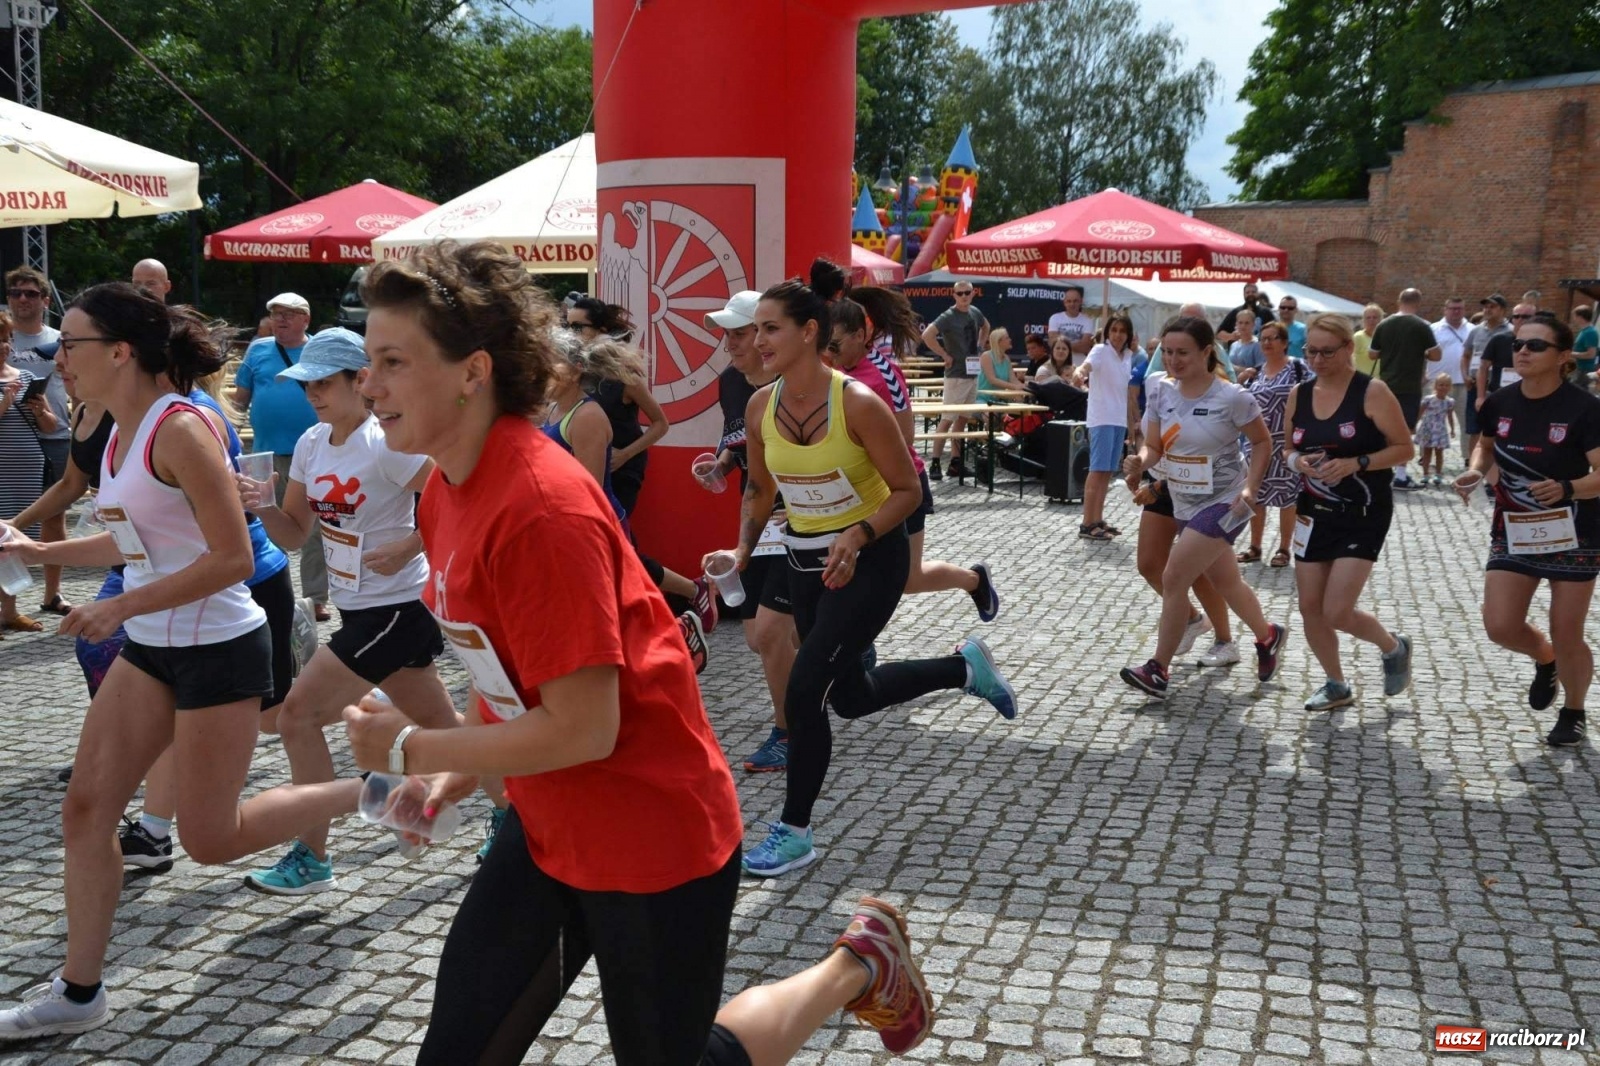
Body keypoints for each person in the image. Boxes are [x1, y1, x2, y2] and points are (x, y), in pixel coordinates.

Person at [340, 240, 938, 1062]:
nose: (367, 384)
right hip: (549, 825)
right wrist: (447, 777)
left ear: (472, 371)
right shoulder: (447, 485)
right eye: (369, 361)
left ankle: (853, 965)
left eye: (390, 362)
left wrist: (413, 747)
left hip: (650, 836)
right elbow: (506, 670)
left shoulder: (539, 508)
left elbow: (586, 727)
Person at [0, 284, 369, 1041]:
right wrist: (43, 551)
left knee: (211, 838)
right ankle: (78, 994)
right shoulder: (118, 431)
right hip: (153, 648)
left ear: (121, 351)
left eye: (72, 344)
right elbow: (132, 541)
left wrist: (118, 607)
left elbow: (234, 557)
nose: (58, 358)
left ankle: (376, 789)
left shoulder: (180, 428)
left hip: (217, 648)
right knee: (85, 812)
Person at [734, 266, 1018, 878]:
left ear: (810, 332)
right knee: (853, 699)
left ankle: (794, 832)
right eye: (756, 330)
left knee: (806, 690)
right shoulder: (761, 406)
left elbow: (908, 490)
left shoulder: (857, 402)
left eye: (770, 329)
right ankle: (962, 667)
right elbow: (759, 491)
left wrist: (858, 533)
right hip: (806, 563)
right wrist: (739, 553)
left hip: (871, 561)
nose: (758, 341)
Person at [235, 327, 461, 894]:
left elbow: (454, 492)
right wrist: (260, 507)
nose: (312, 392)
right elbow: (293, 535)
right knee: (444, 730)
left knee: (297, 716)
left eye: (323, 382)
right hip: (357, 604)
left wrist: (411, 544)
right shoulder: (312, 443)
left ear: (359, 381)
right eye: (305, 382)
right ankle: (492, 812)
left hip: (397, 605)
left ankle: (312, 857)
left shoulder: (384, 441)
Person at [1118, 315, 1288, 700]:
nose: (1174, 361)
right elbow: (1156, 446)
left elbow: (1262, 443)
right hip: (1183, 499)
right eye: (1168, 352)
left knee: (1174, 575)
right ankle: (1268, 636)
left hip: (1226, 501)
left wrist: (1251, 488)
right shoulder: (1161, 391)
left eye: (1183, 353)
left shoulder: (1232, 397)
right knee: (1226, 581)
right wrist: (1141, 462)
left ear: (1207, 352)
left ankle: (1158, 669)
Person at [1455, 312, 1600, 747]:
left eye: (1535, 346)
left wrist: (1568, 487)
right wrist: (1475, 472)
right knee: (1499, 625)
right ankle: (1545, 659)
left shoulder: (1585, 409)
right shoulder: (1499, 402)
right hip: (1514, 526)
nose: (1522, 351)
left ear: (1562, 358)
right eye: (1518, 344)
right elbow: (1484, 450)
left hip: (1577, 533)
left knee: (1566, 628)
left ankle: (1573, 710)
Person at [545, 331, 717, 670]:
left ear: (577, 368)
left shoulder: (587, 415)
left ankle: (677, 632)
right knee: (622, 595)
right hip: (571, 523)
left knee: (617, 601)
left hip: (600, 519)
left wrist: (625, 455)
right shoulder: (552, 409)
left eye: (551, 362)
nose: (542, 370)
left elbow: (588, 493)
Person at [829, 292, 1000, 616]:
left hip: (902, 485)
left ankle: (974, 580)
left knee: (910, 578)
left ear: (860, 336)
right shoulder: (832, 370)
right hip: (859, 487)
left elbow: (906, 435)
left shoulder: (884, 372)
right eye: (827, 346)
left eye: (836, 345)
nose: (830, 355)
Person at [1283, 313, 1415, 711]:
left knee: (1336, 610)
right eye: (1311, 352)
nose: (1318, 360)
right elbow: (1287, 447)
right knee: (1310, 606)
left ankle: (1393, 647)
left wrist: (1355, 463)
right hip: (1312, 509)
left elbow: (1404, 449)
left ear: (1347, 349)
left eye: (1326, 352)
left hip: (1363, 510)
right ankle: (1336, 684)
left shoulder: (1371, 392)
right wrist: (1297, 464)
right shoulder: (1299, 394)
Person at [706, 291, 799, 772]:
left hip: (805, 524)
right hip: (759, 518)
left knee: (767, 634)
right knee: (757, 638)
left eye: (739, 334)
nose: (732, 345)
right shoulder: (731, 383)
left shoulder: (798, 384)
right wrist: (720, 465)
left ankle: (788, 732)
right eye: (730, 335)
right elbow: (735, 439)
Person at [230, 292, 328, 619]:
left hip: (314, 454)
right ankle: (272, 593)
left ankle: (315, 598)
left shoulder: (319, 351)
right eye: (276, 313)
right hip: (264, 454)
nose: (281, 320)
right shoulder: (258, 350)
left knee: (314, 528)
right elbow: (239, 401)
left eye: (289, 313)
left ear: (306, 320)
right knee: (264, 524)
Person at [6, 265, 71, 616]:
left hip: (54, 434)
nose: (22, 299)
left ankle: (52, 594)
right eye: (16, 293)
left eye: (31, 293)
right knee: (6, 517)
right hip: (10, 439)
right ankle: (8, 604)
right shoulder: (2, 337)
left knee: (53, 519)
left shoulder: (62, 338)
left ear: (46, 300)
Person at [566, 296, 669, 517]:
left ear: (600, 330)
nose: (570, 333)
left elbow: (660, 423)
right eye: (567, 326)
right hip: (584, 466)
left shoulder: (623, 376)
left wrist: (625, 454)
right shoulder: (575, 372)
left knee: (613, 528)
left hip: (621, 470)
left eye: (577, 327)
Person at [0, 309, 59, 635]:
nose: (4, 346)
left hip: (26, 465)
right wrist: (5, 403)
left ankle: (9, 611)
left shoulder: (23, 377)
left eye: (7, 339)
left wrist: (40, 411)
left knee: (16, 541)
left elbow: (51, 426)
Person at [1235, 321, 1310, 568]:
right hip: (1256, 445)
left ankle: (1284, 549)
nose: (1266, 342)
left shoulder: (1298, 369)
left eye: (1272, 338)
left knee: (1288, 498)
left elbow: (1314, 399)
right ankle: (1255, 546)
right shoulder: (1255, 372)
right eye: (1263, 338)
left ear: (1284, 342)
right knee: (1255, 495)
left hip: (1286, 444)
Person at [1072, 311, 1138, 541]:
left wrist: (1132, 424)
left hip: (1118, 420)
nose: (1118, 335)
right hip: (1101, 418)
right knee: (1097, 470)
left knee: (1107, 472)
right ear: (1108, 332)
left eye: (1122, 331)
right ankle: (1087, 523)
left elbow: (1126, 394)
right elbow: (1087, 366)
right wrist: (1079, 373)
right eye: (1114, 330)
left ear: (1128, 334)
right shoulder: (1100, 350)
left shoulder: (1128, 356)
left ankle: (1097, 519)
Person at [1368, 287, 1442, 490]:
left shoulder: (1384, 324)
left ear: (1398, 301)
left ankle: (1380, 470)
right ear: (1418, 303)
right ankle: (1400, 475)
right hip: (1410, 386)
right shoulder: (1422, 326)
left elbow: (1372, 355)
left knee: (1382, 429)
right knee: (1405, 430)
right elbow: (1436, 356)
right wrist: (1420, 354)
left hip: (1386, 385)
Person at [919, 281, 988, 480]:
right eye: (960, 293)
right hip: (956, 374)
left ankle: (956, 462)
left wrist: (980, 345)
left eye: (967, 292)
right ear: (954, 295)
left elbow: (986, 326)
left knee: (963, 419)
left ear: (973, 293)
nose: (964, 296)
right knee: (947, 419)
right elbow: (927, 335)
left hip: (972, 373)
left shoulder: (975, 312)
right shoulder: (948, 316)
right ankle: (934, 462)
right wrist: (944, 355)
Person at [1463, 294, 1513, 464]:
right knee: (1474, 427)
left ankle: (1496, 463)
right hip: (1476, 385)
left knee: (1499, 427)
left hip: (1500, 386)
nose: (1487, 310)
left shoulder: (1510, 332)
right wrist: (1465, 375)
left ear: (1503, 310)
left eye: (1492, 307)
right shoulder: (1476, 330)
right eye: (1485, 306)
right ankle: (1473, 465)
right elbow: (1466, 355)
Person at [1477, 300, 1538, 407]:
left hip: (1530, 396)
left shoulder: (1540, 342)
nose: (1520, 320)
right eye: (1516, 316)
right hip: (1500, 395)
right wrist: (1481, 397)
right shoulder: (1499, 339)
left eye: (1525, 317)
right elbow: (1483, 367)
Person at [1434, 295, 1472, 427]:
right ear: (1445, 310)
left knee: (1467, 425)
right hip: (1437, 384)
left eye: (1460, 309)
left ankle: (1467, 449)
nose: (1456, 311)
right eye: (1453, 308)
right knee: (1432, 423)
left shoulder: (1473, 330)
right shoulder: (1433, 329)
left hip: (1464, 384)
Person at [1415, 372, 1457, 485]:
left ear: (1450, 387)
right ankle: (1425, 474)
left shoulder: (1449, 402)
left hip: (1440, 430)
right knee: (1427, 452)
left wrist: (1452, 429)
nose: (1443, 387)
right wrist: (1414, 424)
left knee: (1439, 453)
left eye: (1446, 385)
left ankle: (1438, 474)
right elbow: (1420, 413)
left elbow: (1450, 416)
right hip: (1428, 428)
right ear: (1435, 386)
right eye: (1441, 384)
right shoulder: (1428, 399)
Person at [1046, 285, 1095, 357]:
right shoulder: (1055, 318)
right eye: (1069, 301)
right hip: (1058, 363)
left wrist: (1061, 346)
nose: (1072, 304)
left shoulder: (1088, 321)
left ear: (1081, 302)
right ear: (1064, 303)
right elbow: (1052, 342)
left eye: (1075, 301)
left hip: (1079, 364)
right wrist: (1077, 345)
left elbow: (1085, 347)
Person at [977, 326, 1022, 402]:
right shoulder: (986, 356)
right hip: (983, 398)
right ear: (999, 341)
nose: (1010, 340)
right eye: (1007, 338)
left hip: (999, 398)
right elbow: (992, 380)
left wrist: (1024, 387)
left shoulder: (1006, 358)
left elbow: (1013, 379)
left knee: (1020, 402)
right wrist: (1015, 387)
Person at [1228, 309, 1264, 379]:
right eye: (1240, 323)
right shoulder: (1233, 345)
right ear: (1236, 324)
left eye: (1247, 323)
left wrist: (1235, 368)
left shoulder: (1258, 345)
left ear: (1253, 325)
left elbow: (1260, 371)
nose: (1243, 326)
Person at [1352, 303, 1382, 377]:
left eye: (1375, 317)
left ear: (1381, 320)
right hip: (1363, 381)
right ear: (1363, 320)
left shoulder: (1386, 337)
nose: (1371, 320)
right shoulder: (1358, 337)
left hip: (1382, 381)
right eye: (1368, 317)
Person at [1572, 305, 1597, 388]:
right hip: (1580, 367)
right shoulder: (1584, 331)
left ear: (1580, 317)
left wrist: (1571, 354)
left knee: (1575, 391)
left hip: (1585, 369)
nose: (1573, 319)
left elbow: (1591, 354)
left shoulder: (1590, 332)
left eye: (1574, 316)